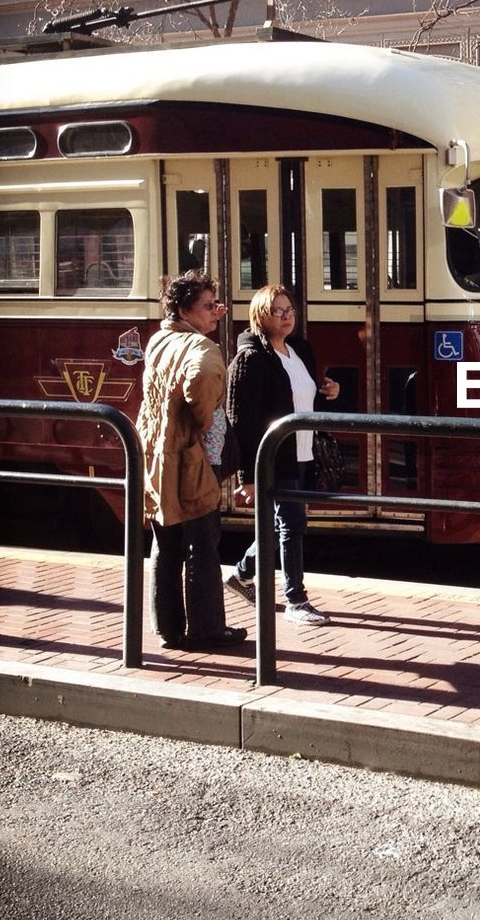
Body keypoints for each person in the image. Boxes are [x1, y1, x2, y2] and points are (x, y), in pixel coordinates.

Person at [136, 271, 245, 651]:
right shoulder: (202, 348)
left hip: (157, 456)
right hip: (193, 457)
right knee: (203, 543)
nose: (216, 312)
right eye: (207, 306)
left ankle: (167, 627)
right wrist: (204, 417)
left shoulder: (159, 340)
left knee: (166, 541)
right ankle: (207, 628)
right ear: (184, 309)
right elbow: (201, 383)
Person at [225, 285, 340, 625]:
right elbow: (240, 421)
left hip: (303, 450)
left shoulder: (299, 349)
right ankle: (296, 600)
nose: (287, 316)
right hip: (274, 454)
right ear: (261, 315)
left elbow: (307, 397)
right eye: (278, 310)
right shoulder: (251, 358)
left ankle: (242, 574)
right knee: (292, 524)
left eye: (290, 309)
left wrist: (330, 391)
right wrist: (247, 476)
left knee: (282, 525)